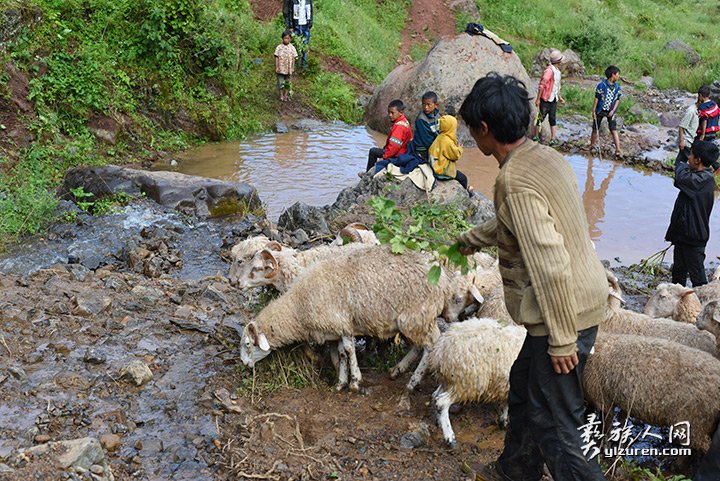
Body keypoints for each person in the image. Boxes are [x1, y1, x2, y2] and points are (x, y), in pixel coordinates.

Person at [456, 73, 607, 481]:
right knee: (523, 386)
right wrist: (471, 239)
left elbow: (548, 260)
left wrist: (561, 338)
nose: (473, 140)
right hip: (581, 296)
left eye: (472, 131)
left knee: (558, 421)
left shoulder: (513, 180)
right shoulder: (544, 156)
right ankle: (515, 469)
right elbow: (526, 222)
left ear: (484, 129)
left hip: (564, 312)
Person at [665, 139, 718, 287]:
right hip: (684, 234)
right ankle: (680, 305)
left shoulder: (703, 179)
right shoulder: (698, 175)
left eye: (691, 155)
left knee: (699, 281)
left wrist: (680, 162)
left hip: (694, 237)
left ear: (698, 160)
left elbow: (680, 178)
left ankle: (702, 306)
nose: (689, 157)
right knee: (678, 274)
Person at [363, 99, 413, 175]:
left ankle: (368, 174)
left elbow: (394, 146)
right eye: (389, 112)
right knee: (383, 148)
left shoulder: (399, 127)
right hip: (404, 151)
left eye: (392, 113)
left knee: (373, 151)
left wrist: (384, 156)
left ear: (400, 113)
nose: (390, 115)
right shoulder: (404, 121)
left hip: (399, 154)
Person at [428, 114, 472, 192]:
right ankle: (466, 193)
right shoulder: (447, 141)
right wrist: (460, 148)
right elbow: (455, 155)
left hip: (435, 167)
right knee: (463, 178)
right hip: (442, 171)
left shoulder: (440, 137)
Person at [532, 49, 565, 146]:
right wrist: (538, 99)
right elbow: (542, 85)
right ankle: (536, 136)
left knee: (552, 117)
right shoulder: (549, 71)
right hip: (546, 98)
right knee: (540, 117)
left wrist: (560, 97)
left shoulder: (558, 72)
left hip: (553, 98)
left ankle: (553, 138)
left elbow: (557, 86)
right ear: (558, 61)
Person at [589, 65, 622, 157]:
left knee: (613, 129)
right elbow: (597, 98)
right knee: (595, 129)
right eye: (618, 74)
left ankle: (618, 149)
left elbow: (617, 100)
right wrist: (594, 110)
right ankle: (592, 145)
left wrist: (613, 111)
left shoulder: (617, 87)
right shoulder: (601, 86)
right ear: (613, 75)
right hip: (600, 110)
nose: (618, 76)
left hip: (611, 111)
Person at [282, 0, 312, 69]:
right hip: (296, 26)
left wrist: (310, 23)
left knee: (305, 45)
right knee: (294, 45)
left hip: (305, 25)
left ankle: (304, 63)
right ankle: (294, 63)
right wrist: (291, 26)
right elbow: (290, 12)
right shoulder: (293, 1)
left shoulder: (308, 1)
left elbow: (311, 11)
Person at [414, 91, 441, 161]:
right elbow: (426, 140)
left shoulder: (438, 116)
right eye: (424, 104)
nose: (426, 107)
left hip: (433, 144)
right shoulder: (421, 119)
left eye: (429, 105)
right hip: (423, 148)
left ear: (436, 105)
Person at [274, 30, 298, 102]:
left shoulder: (292, 48)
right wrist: (277, 66)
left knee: (287, 83)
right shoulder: (279, 47)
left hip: (288, 69)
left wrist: (292, 67)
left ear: (290, 39)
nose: (286, 40)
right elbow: (276, 57)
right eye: (285, 38)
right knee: (281, 82)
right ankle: (281, 95)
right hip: (281, 68)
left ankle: (285, 95)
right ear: (282, 38)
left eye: (288, 38)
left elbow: (294, 58)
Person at [677, 94, 700, 164]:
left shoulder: (697, 110)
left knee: (681, 161)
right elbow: (681, 126)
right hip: (686, 141)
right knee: (685, 161)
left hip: (691, 141)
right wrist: (681, 141)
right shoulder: (691, 111)